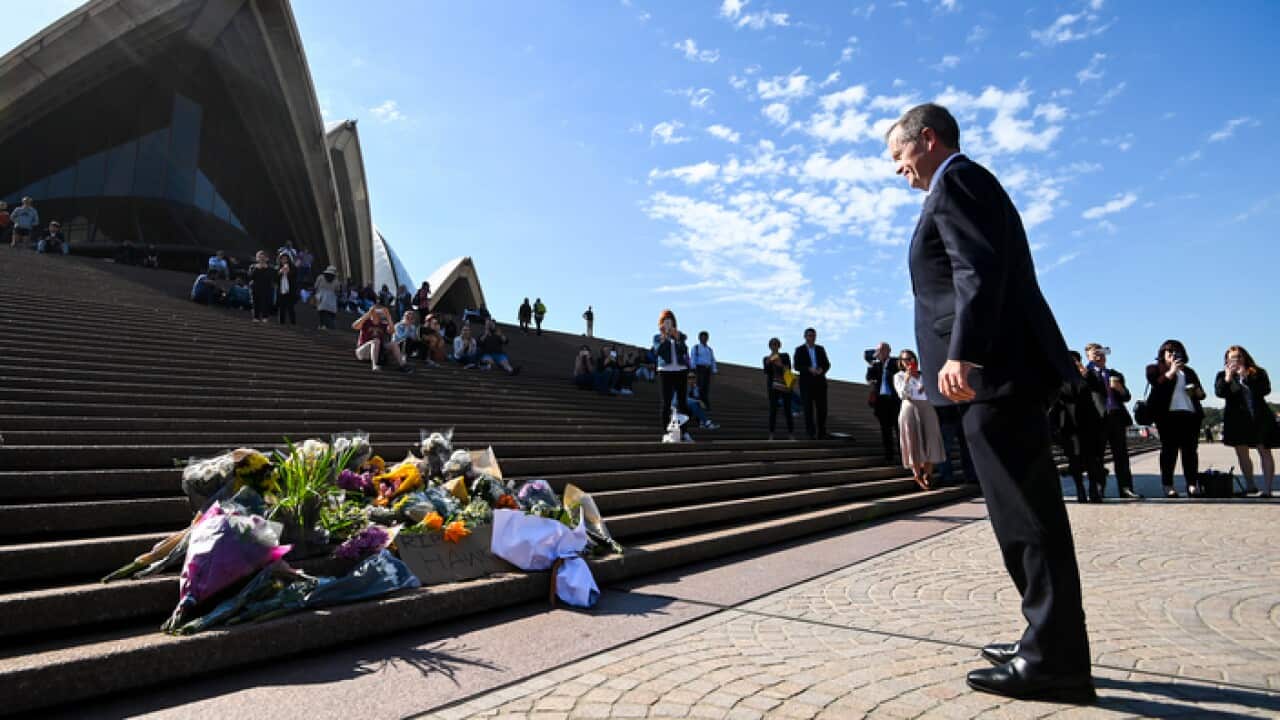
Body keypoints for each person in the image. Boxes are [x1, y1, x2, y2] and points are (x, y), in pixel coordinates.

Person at [888, 102, 1093, 701]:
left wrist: (964, 354)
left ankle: (1052, 658)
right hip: (997, 375)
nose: (897, 170)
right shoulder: (964, 183)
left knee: (1027, 519)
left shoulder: (958, 182)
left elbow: (978, 270)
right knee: (1023, 516)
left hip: (992, 375)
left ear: (927, 139)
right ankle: (1047, 639)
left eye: (899, 156)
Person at [1145, 339, 1205, 498]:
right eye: (1169, 352)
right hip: (1167, 415)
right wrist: (1171, 371)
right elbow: (1157, 385)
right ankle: (1168, 485)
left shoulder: (1189, 371)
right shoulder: (1154, 369)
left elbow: (1201, 394)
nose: (1173, 355)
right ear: (1162, 354)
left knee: (1190, 452)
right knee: (1169, 451)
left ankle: (1192, 484)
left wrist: (1197, 392)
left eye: (1177, 352)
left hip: (1190, 414)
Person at [1215, 345, 1277, 497]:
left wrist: (1246, 377)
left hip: (1259, 417)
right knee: (1242, 453)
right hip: (1237, 420)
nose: (1236, 361)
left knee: (1264, 451)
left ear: (1245, 358)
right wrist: (1228, 378)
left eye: (1239, 357)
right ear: (1226, 361)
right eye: (1232, 358)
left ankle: (1268, 489)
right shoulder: (1222, 375)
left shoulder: (1258, 372)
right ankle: (1250, 484)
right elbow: (1219, 393)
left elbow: (1265, 390)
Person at [1050, 352, 1107, 503]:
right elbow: (1067, 393)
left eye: (1076, 360)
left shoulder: (1087, 376)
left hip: (1089, 423)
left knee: (1092, 460)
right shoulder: (1058, 378)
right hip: (1069, 426)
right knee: (1074, 460)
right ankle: (1080, 489)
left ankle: (1093, 489)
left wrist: (1084, 373)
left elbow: (1099, 389)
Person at [1083, 343, 1139, 498]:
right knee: (1097, 456)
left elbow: (1126, 396)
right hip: (1097, 419)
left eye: (1101, 353)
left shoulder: (1115, 374)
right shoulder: (1086, 374)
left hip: (1117, 417)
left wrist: (1119, 388)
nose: (1099, 356)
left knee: (1121, 455)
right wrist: (1087, 368)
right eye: (1095, 354)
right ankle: (1098, 488)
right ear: (1088, 357)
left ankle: (1126, 488)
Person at [894, 350, 945, 490]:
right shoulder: (899, 376)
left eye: (911, 358)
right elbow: (902, 394)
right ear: (901, 362)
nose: (908, 361)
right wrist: (907, 378)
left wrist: (927, 388)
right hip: (910, 407)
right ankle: (917, 474)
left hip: (927, 407)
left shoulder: (924, 375)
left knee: (931, 439)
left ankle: (928, 474)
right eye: (905, 359)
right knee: (913, 441)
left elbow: (936, 391)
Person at [653, 309, 692, 437]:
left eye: (670, 322)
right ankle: (665, 432)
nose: (668, 325)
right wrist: (664, 338)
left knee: (682, 403)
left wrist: (678, 339)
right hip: (665, 371)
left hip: (680, 370)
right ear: (661, 324)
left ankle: (684, 431)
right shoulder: (657, 337)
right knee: (666, 403)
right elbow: (658, 351)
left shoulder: (679, 336)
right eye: (666, 322)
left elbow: (684, 351)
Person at [866, 342, 902, 462]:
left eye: (882, 350)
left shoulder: (896, 362)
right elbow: (868, 378)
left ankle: (904, 456)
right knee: (885, 430)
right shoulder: (876, 365)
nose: (880, 353)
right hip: (881, 402)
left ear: (889, 350)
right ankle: (889, 456)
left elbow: (901, 374)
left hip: (895, 400)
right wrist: (872, 363)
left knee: (899, 430)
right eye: (878, 350)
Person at [352, 302, 411, 373]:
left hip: (378, 352)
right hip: (362, 352)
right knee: (376, 341)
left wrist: (388, 316)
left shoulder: (383, 324)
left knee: (393, 344)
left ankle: (403, 365)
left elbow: (392, 331)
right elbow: (355, 326)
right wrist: (368, 313)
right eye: (377, 311)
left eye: (380, 311)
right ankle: (374, 365)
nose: (379, 313)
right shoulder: (366, 322)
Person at [793, 328, 831, 440]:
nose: (812, 337)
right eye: (809, 335)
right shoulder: (799, 349)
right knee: (808, 409)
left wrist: (822, 370)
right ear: (805, 336)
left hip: (820, 382)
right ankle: (810, 433)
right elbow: (796, 366)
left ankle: (822, 433)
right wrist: (809, 369)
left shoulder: (820, 349)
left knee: (822, 409)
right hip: (806, 383)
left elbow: (827, 364)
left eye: (814, 335)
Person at [763, 338, 795, 440]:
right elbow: (766, 372)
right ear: (770, 346)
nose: (774, 346)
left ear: (779, 346)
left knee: (787, 410)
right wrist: (768, 362)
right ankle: (771, 434)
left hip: (785, 385)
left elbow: (789, 369)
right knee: (773, 410)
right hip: (773, 387)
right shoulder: (766, 358)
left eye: (776, 344)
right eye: (772, 344)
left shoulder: (785, 356)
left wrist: (780, 364)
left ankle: (791, 434)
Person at [691, 331, 718, 410]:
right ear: (699, 338)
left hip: (707, 369)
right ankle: (699, 403)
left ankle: (705, 403)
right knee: (699, 386)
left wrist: (714, 369)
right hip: (699, 368)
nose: (704, 339)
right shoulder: (696, 347)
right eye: (702, 337)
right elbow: (693, 358)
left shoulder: (709, 349)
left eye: (706, 337)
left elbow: (712, 359)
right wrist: (693, 368)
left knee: (706, 387)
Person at [248, 251, 275, 323]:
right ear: (257, 258)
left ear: (267, 259)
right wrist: (257, 268)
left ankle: (265, 317)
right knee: (255, 302)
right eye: (260, 257)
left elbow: (271, 278)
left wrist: (265, 268)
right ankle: (256, 317)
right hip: (255, 287)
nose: (261, 259)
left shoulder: (271, 268)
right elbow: (250, 277)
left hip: (266, 288)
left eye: (263, 258)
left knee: (265, 303)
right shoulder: (252, 267)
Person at [312, 265, 339, 330]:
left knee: (321, 312)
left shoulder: (320, 277)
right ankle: (329, 326)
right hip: (331, 298)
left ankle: (322, 325)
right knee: (330, 313)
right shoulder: (336, 281)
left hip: (321, 296)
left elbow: (315, 286)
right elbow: (337, 290)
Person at [275, 253, 298, 325]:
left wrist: (288, 272)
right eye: (282, 259)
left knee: (290, 308)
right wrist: (280, 272)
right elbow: (275, 279)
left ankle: (293, 323)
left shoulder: (293, 267)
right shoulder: (278, 268)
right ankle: (281, 323)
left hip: (290, 291)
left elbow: (294, 277)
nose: (284, 260)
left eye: (286, 259)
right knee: (281, 308)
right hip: (281, 291)